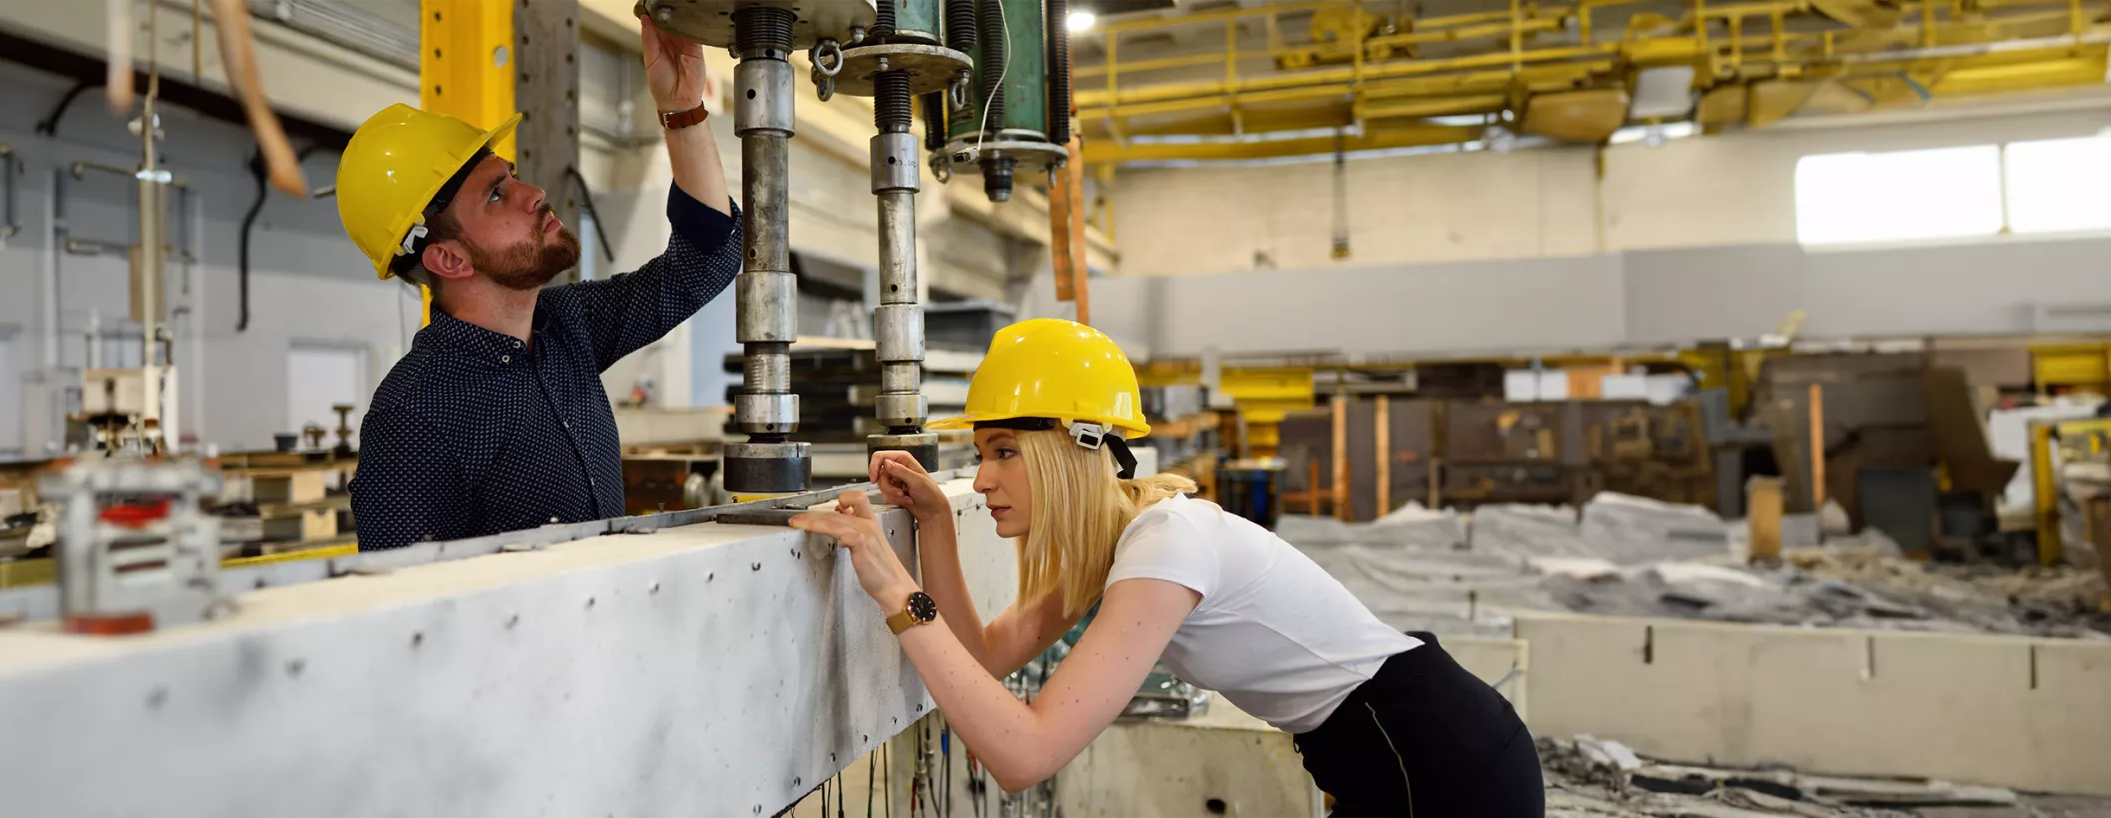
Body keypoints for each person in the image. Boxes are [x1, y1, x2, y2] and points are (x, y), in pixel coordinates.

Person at [791, 319, 1544, 817]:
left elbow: (1025, 753)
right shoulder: (1114, 546)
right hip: (1378, 751)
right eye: (981, 456)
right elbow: (983, 657)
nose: (982, 480)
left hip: (1431, 755)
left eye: (1004, 453)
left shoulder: (1166, 543)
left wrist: (895, 589)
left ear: (1078, 449)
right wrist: (931, 529)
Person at [336, 18, 736, 549]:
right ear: (448, 258)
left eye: (512, 176)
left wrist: (682, 107)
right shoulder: (415, 417)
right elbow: (411, 617)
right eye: (497, 195)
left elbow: (702, 263)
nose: (535, 193)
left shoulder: (564, 327)